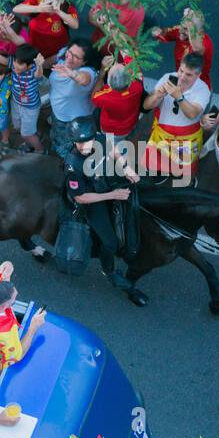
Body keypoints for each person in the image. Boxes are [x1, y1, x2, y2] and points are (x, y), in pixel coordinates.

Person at [63, 115, 142, 284]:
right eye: (78, 142)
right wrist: (113, 195)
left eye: (87, 141)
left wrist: (127, 168)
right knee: (111, 243)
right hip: (92, 198)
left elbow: (113, 150)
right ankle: (108, 269)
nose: (83, 146)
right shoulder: (73, 165)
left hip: (106, 182)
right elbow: (80, 197)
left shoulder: (99, 139)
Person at [141, 53, 211, 182]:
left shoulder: (203, 89)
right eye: (181, 71)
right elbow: (146, 106)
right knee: (157, 163)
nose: (182, 77)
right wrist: (158, 96)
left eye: (189, 75)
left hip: (187, 137)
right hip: (162, 134)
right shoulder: (167, 77)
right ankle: (161, 172)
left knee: (183, 169)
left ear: (198, 75)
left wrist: (179, 97)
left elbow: (192, 114)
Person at [46, 41, 97, 159]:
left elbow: (84, 79)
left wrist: (72, 74)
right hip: (58, 112)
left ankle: (67, 159)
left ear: (84, 62)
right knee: (58, 133)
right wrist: (38, 65)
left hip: (73, 119)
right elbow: (47, 62)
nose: (70, 57)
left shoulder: (88, 72)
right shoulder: (64, 54)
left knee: (69, 142)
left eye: (76, 57)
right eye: (70, 52)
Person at [152, 8, 213, 87]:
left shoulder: (205, 42)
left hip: (198, 86)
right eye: (182, 25)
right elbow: (162, 33)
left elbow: (197, 49)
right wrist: (153, 30)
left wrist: (190, 26)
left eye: (186, 29)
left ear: (197, 31)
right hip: (180, 81)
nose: (180, 31)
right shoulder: (180, 31)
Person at [13, 0, 79, 60]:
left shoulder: (67, 7)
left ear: (62, 0)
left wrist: (57, 11)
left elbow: (75, 25)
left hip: (56, 50)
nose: (50, 0)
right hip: (35, 46)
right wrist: (39, 9)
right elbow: (16, 9)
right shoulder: (37, 1)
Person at [91, 57, 145, 145]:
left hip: (109, 129)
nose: (116, 63)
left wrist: (102, 72)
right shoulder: (137, 87)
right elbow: (135, 66)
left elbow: (93, 96)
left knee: (110, 145)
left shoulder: (103, 97)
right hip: (130, 125)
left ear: (109, 84)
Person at [7, 44, 45, 153]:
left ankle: (40, 150)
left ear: (29, 66)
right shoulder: (14, 65)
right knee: (17, 125)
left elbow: (39, 75)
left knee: (26, 133)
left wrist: (39, 65)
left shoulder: (33, 70)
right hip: (16, 102)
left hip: (30, 108)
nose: (15, 65)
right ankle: (31, 140)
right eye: (15, 61)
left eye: (20, 63)